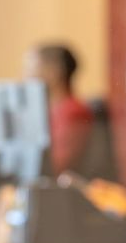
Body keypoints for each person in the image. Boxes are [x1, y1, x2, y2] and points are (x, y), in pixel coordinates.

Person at [23, 45, 93, 176]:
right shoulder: (49, 110)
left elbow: (56, 165)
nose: (26, 77)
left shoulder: (73, 112)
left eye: (32, 69)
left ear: (53, 72)